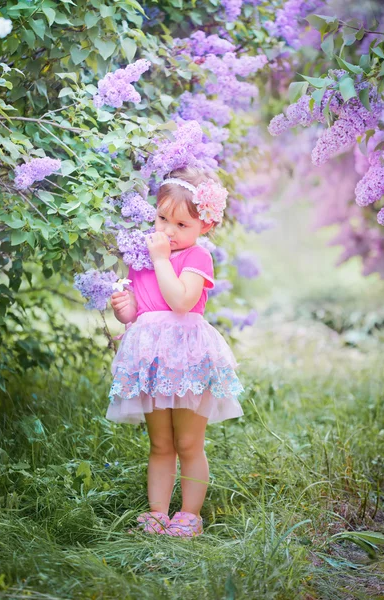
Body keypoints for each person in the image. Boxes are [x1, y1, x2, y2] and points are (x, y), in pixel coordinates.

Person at [106, 166, 244, 537]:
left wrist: (163, 259)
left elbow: (181, 302)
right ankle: (157, 511)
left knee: (187, 442)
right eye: (162, 218)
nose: (168, 231)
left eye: (181, 225)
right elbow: (140, 312)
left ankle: (189, 514)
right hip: (151, 359)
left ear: (205, 227)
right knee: (160, 443)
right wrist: (124, 308)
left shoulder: (195, 258)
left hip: (188, 359)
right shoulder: (143, 257)